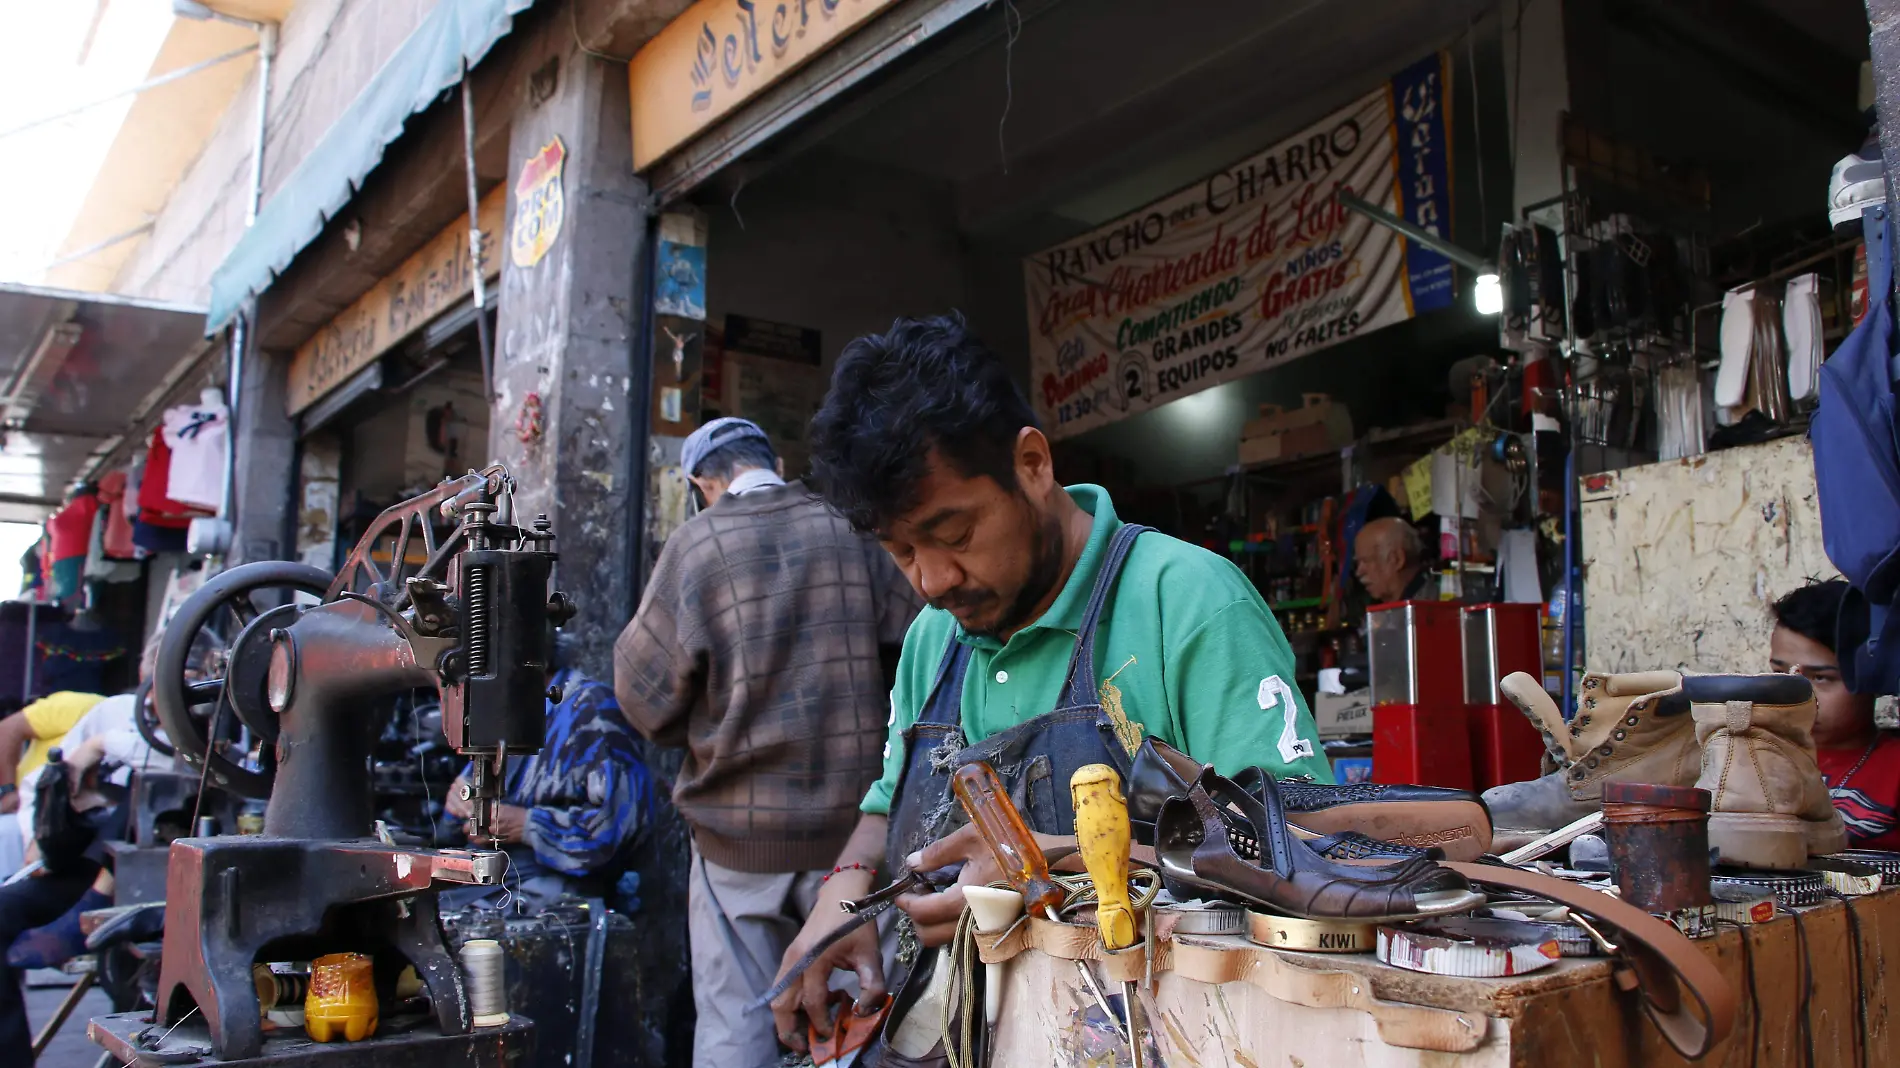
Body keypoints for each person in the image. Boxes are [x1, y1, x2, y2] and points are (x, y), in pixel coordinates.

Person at [769, 313, 1329, 1052]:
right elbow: (883, 807)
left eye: (955, 535)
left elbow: (1303, 845)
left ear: (1031, 464)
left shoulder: (1186, 602)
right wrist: (838, 904)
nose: (932, 580)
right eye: (900, 551)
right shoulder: (934, 640)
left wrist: (1045, 865)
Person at [615, 416, 921, 1068]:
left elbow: (642, 698)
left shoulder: (697, 545)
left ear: (704, 484)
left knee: (736, 1030)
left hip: (737, 845)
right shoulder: (851, 529)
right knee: (866, 1027)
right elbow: (920, 650)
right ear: (775, 462)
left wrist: (701, 725)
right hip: (857, 845)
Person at [443, 636, 651, 913]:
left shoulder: (592, 710)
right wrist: (458, 801)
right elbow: (462, 808)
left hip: (561, 890)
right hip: (492, 878)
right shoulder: (503, 716)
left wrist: (528, 825)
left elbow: (621, 827)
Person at [1770, 579, 1900, 848]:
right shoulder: (1751, 758)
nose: (1796, 692)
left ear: (1871, 678)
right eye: (1780, 673)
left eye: (1821, 678)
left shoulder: (1894, 769)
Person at [0, 690, 107, 815]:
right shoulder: (82, 705)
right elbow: (7, 729)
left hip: (64, 813)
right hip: (18, 799)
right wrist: (8, 790)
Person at [1353, 516, 1433, 603]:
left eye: (1366, 561)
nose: (1359, 572)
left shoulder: (1435, 606)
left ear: (1398, 559)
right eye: (1358, 563)